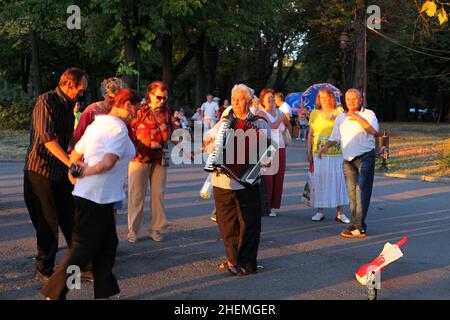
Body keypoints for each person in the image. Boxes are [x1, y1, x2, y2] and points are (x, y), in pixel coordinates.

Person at [41, 88, 140, 300]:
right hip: (96, 196)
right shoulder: (118, 129)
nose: (137, 112)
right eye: (137, 107)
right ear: (128, 105)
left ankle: (104, 294)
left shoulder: (99, 123)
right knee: (82, 249)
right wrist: (84, 171)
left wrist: (74, 171)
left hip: (98, 196)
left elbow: (76, 152)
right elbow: (108, 162)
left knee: (107, 246)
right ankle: (53, 293)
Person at [23, 67, 88, 283]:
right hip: (39, 170)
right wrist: (70, 163)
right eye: (80, 89)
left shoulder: (70, 105)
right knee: (47, 221)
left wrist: (75, 155)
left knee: (72, 217)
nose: (82, 94)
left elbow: (67, 136)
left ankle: (82, 265)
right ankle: (44, 268)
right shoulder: (46, 101)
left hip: (59, 170)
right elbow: (48, 140)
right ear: (69, 84)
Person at [204, 84, 271, 276]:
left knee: (249, 223)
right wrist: (213, 148)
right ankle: (233, 259)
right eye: (233, 99)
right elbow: (208, 139)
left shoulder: (260, 123)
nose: (236, 102)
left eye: (240, 99)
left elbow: (269, 152)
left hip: (248, 180)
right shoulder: (225, 121)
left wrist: (263, 160)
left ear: (249, 101)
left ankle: (247, 263)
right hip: (222, 179)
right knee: (226, 222)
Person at [319, 89, 379, 238]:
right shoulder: (341, 118)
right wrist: (325, 147)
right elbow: (335, 137)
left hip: (365, 157)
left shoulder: (369, 114)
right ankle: (355, 224)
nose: (351, 101)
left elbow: (373, 131)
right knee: (352, 194)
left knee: (361, 191)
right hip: (348, 160)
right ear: (345, 100)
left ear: (360, 100)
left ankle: (360, 227)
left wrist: (355, 116)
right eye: (348, 99)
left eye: (354, 99)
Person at [127, 81, 174, 243]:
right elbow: (127, 130)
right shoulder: (139, 110)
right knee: (136, 195)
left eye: (165, 98)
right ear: (151, 95)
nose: (162, 101)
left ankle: (156, 228)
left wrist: (189, 149)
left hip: (160, 157)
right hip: (139, 157)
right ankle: (133, 230)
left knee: (158, 194)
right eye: (159, 97)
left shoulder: (167, 111)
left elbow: (173, 132)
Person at [308, 88, 350, 224]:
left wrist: (337, 118)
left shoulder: (339, 112)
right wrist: (308, 151)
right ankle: (320, 211)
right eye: (321, 98)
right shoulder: (314, 113)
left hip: (337, 153)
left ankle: (340, 213)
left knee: (339, 180)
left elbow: (347, 128)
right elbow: (310, 134)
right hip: (319, 153)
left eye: (326, 97)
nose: (324, 100)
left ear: (331, 98)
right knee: (320, 180)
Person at [257, 88, 291, 217]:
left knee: (278, 178)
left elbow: (288, 124)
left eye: (272, 97)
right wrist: (281, 118)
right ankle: (266, 206)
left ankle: (273, 206)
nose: (271, 99)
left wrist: (286, 130)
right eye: (268, 98)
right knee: (268, 179)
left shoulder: (280, 112)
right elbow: (271, 126)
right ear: (263, 101)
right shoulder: (262, 113)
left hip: (281, 148)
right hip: (268, 148)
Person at [72, 77, 126, 146]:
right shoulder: (91, 111)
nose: (113, 101)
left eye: (117, 98)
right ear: (104, 94)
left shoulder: (123, 112)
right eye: (110, 97)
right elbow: (78, 136)